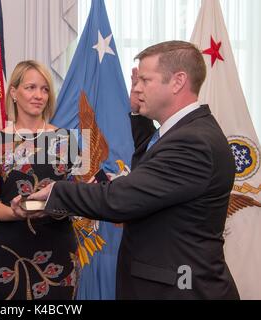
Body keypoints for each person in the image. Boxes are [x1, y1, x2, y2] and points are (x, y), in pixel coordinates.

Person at [29, 41, 240, 299]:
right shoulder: (186, 132)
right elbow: (151, 175)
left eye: (145, 80)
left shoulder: (192, 142)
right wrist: (138, 115)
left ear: (177, 82)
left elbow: (121, 200)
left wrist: (57, 191)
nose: (137, 87)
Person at [0, 60, 80, 300]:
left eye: (45, 89)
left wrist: (55, 208)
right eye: (31, 87)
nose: (39, 95)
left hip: (59, 254)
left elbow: (80, 197)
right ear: (13, 92)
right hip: (7, 255)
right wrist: (16, 213)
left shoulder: (68, 139)